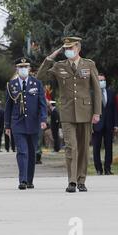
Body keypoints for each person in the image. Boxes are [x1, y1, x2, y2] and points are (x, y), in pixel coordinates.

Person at [37, 36, 102, 193]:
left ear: (78, 48)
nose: (68, 51)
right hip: (67, 113)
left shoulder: (89, 64)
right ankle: (71, 181)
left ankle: (81, 180)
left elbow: (96, 89)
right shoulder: (59, 66)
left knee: (83, 148)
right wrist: (51, 56)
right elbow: (40, 77)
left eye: (70, 48)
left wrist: (97, 112)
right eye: (65, 49)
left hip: (85, 112)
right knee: (70, 147)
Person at [5, 58, 47, 189]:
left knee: (32, 152)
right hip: (18, 123)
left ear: (29, 69)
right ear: (17, 69)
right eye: (20, 67)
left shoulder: (37, 84)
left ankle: (29, 180)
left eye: (25, 67)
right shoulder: (11, 85)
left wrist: (43, 120)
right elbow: (8, 107)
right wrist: (7, 125)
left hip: (33, 123)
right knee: (22, 152)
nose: (23, 69)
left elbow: (42, 104)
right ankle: (22, 180)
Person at [92, 74, 118, 175]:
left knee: (109, 148)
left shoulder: (111, 93)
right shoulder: (92, 94)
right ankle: (98, 169)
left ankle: (107, 168)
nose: (101, 82)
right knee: (96, 148)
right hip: (96, 125)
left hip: (109, 125)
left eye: (103, 80)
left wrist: (116, 124)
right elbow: (89, 111)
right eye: (99, 80)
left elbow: (115, 110)